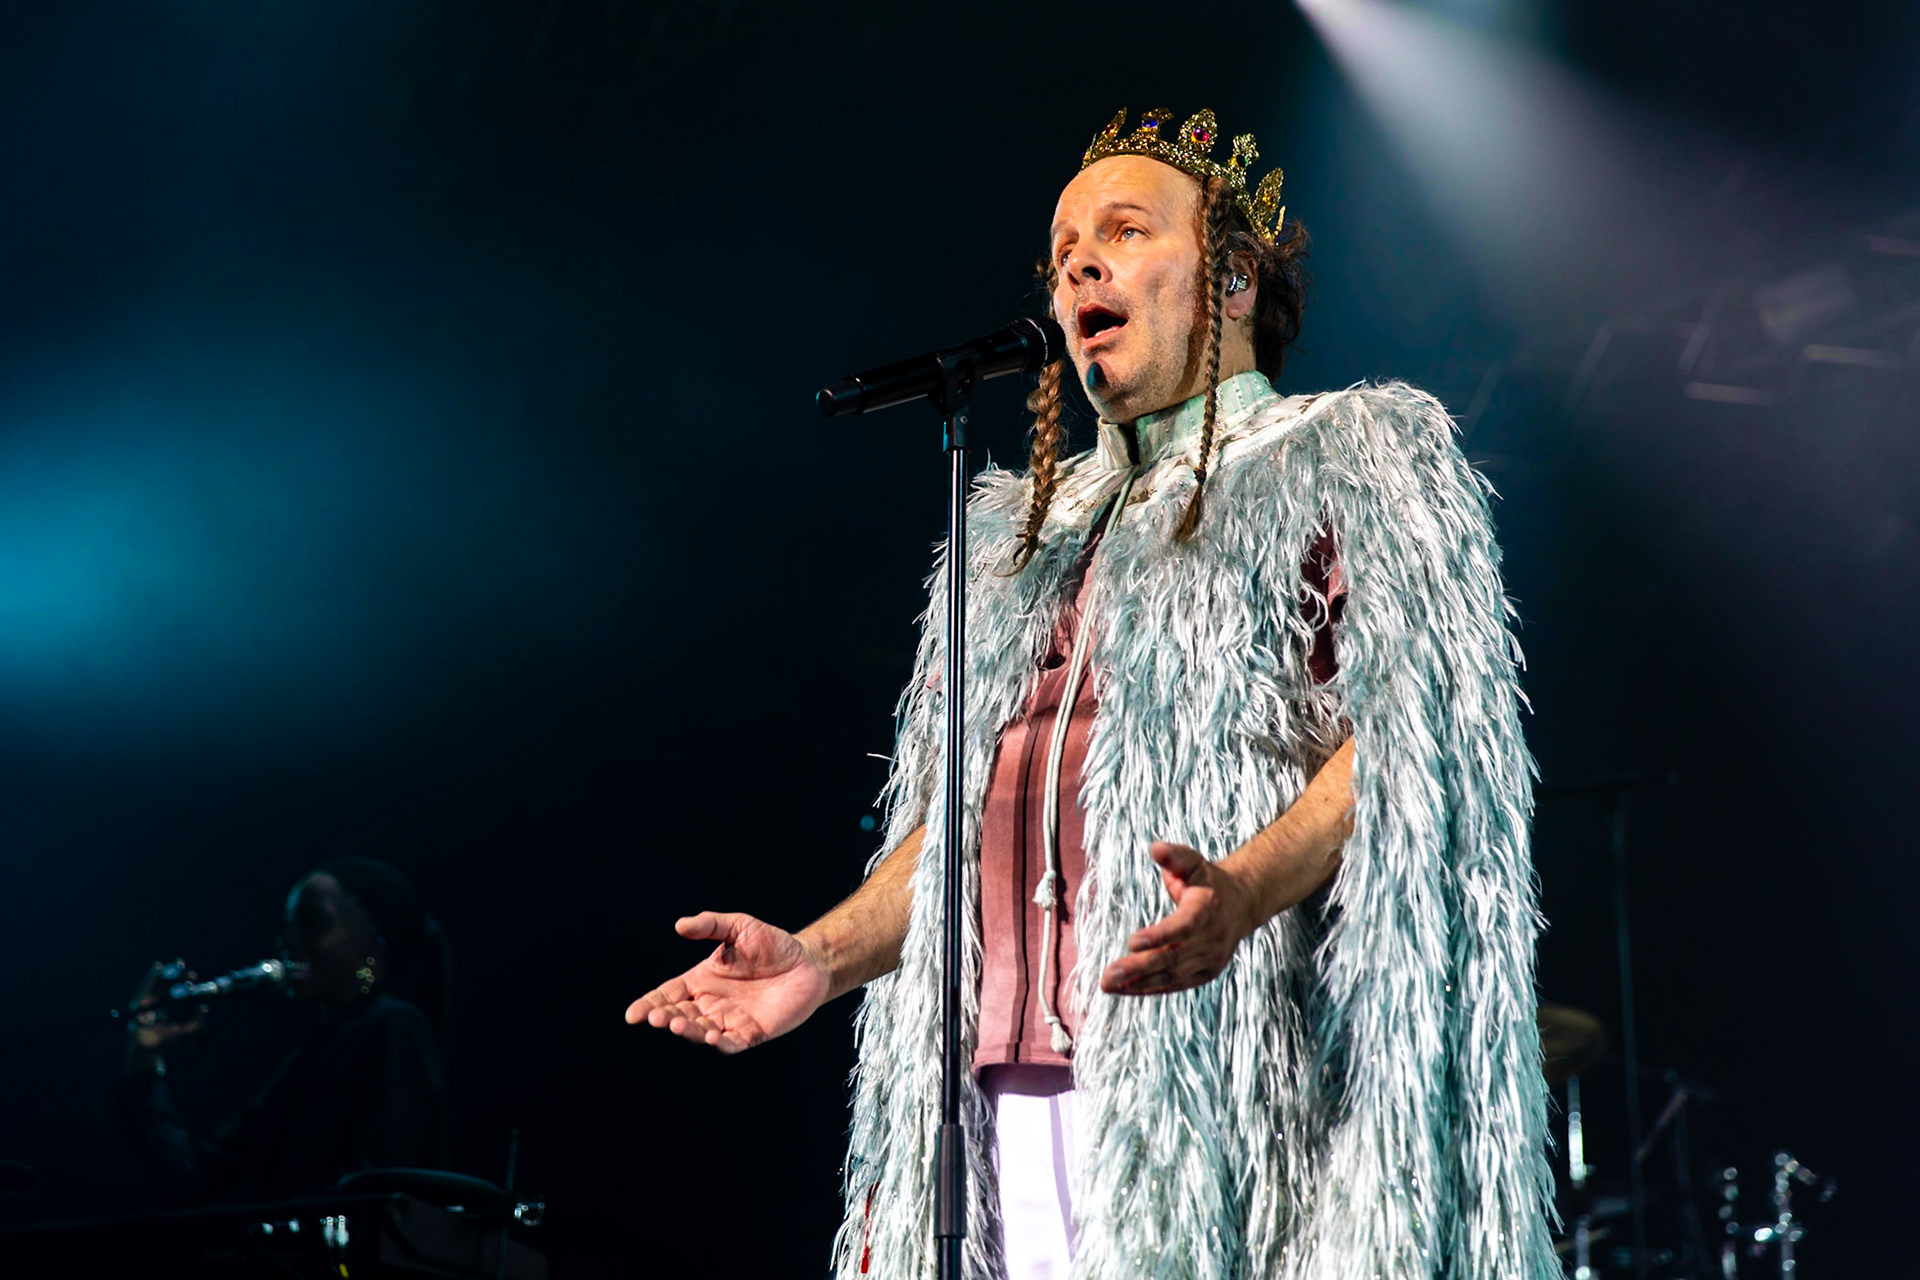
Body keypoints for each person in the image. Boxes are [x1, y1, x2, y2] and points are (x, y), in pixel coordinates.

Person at [628, 107, 1555, 1278]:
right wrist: (818, 956)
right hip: (1011, 1085)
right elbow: (957, 827)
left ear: (1227, 274)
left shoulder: (1347, 457)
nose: (1078, 264)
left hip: (1222, 1087)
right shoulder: (1022, 534)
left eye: (1123, 229)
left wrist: (1241, 888)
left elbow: (1415, 741)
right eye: (1064, 249)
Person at [116, 857, 450, 1206]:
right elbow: (198, 1180)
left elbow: (376, 1195)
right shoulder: (316, 1052)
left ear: (375, 944)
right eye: (289, 925)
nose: (288, 940)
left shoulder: (395, 1028)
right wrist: (145, 1061)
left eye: (312, 922)